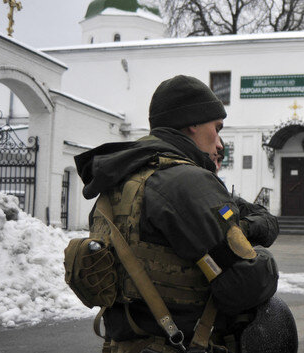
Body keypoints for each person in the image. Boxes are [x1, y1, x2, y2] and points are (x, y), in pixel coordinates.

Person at [75, 75, 281, 353]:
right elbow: (243, 286)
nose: (220, 144)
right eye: (216, 128)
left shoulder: (119, 182)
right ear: (193, 121)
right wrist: (264, 258)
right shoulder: (187, 181)